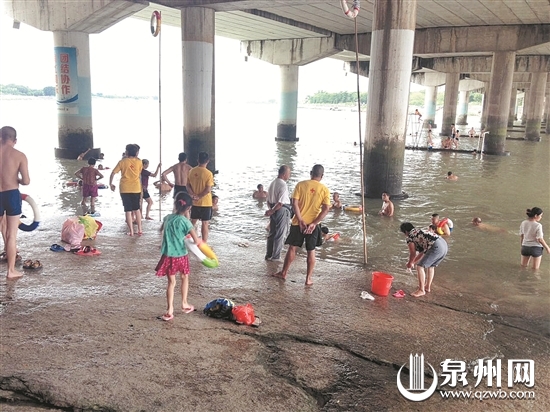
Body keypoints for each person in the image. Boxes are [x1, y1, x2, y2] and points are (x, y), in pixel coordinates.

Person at [273, 164, 331, 286]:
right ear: (322, 176)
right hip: (313, 225)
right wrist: (314, 223)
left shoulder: (300, 185)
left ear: (311, 173)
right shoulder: (324, 189)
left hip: (298, 223)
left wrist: (300, 220)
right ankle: (308, 279)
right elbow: (326, 209)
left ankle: (284, 273)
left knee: (292, 247)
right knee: (311, 250)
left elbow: (294, 204)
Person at [155, 192, 200, 321]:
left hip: (168, 255)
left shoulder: (167, 218)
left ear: (175, 204)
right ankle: (184, 304)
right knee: (185, 277)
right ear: (189, 208)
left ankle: (169, 311)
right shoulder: (186, 222)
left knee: (171, 283)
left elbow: (161, 230)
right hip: (181, 255)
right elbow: (196, 241)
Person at [0, 126, 30, 279]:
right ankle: (11, 271)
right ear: (15, 140)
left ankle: (7, 254)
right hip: (11, 194)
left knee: (2, 227)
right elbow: (26, 181)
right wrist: (15, 179)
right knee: (12, 234)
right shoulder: (19, 155)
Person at [400, 222, 448, 297]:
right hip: (444, 245)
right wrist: (413, 262)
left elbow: (412, 253)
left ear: (406, 232)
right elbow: (422, 252)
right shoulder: (419, 231)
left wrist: (409, 263)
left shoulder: (410, 237)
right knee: (431, 266)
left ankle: (421, 290)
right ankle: (427, 287)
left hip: (436, 246)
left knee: (419, 267)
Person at [109, 144, 143, 236]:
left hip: (125, 188)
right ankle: (140, 229)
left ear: (127, 152)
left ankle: (131, 231)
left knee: (127, 210)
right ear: (136, 152)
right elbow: (139, 172)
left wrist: (110, 184)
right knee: (137, 209)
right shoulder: (140, 162)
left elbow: (113, 173)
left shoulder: (122, 162)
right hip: (136, 188)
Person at [264, 165, 292, 262]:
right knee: (280, 233)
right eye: (289, 173)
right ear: (284, 174)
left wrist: (270, 210)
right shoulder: (283, 184)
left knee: (272, 233)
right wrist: (272, 210)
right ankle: (276, 256)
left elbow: (268, 200)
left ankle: (269, 254)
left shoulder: (273, 183)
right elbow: (281, 202)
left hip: (273, 208)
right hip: (281, 210)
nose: (289, 175)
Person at [187, 152, 214, 242]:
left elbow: (188, 186)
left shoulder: (191, 171)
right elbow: (208, 189)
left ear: (198, 160)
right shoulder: (209, 174)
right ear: (208, 161)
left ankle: (189, 237)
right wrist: (199, 196)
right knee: (205, 223)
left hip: (194, 202)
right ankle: (204, 243)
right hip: (205, 202)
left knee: (193, 221)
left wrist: (193, 195)